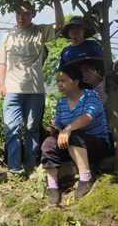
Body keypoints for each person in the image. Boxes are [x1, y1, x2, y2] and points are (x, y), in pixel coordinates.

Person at [0, 0, 64, 177]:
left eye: (26, 13)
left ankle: (29, 165)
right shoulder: (8, 36)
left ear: (33, 14)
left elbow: (59, 25)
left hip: (35, 90)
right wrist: (2, 84)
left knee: (32, 129)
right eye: (18, 12)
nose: (21, 17)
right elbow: (2, 62)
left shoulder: (40, 31)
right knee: (11, 130)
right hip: (12, 90)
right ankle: (14, 169)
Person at [40, 63, 110, 205]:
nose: (59, 84)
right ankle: (53, 188)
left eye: (63, 80)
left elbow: (88, 116)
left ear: (76, 82)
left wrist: (68, 129)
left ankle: (86, 179)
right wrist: (55, 130)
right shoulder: (61, 103)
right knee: (48, 143)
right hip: (72, 145)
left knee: (74, 135)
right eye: (58, 81)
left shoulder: (90, 96)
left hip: (96, 145)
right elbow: (59, 125)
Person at [74, 57, 118, 154]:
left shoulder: (103, 88)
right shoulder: (94, 90)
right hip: (112, 135)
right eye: (81, 72)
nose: (83, 75)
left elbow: (90, 114)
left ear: (98, 71)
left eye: (87, 71)